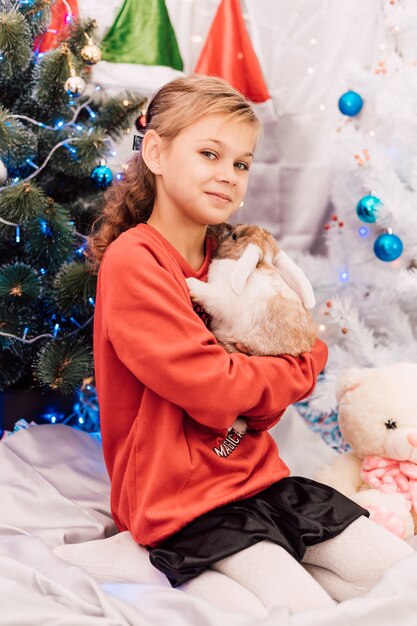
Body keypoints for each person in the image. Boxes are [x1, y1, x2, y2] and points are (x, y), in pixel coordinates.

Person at [89, 75, 413, 618]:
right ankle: (149, 554)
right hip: (180, 498)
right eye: (209, 153)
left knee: (397, 575)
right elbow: (213, 388)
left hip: (253, 474)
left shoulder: (238, 253)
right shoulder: (135, 262)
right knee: (299, 607)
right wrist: (277, 373)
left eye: (241, 163)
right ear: (157, 151)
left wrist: (271, 374)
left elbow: (311, 351)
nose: (228, 175)